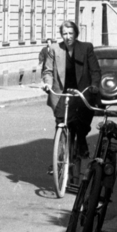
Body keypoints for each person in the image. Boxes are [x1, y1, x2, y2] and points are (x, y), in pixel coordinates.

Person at [41, 20, 102, 185]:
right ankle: (58, 159)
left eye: (70, 33)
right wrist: (47, 83)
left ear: (76, 34)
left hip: (81, 95)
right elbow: (47, 71)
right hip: (62, 95)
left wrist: (95, 86)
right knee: (61, 124)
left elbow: (95, 71)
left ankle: (79, 155)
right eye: (64, 34)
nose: (67, 37)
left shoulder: (86, 48)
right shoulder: (54, 50)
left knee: (79, 129)